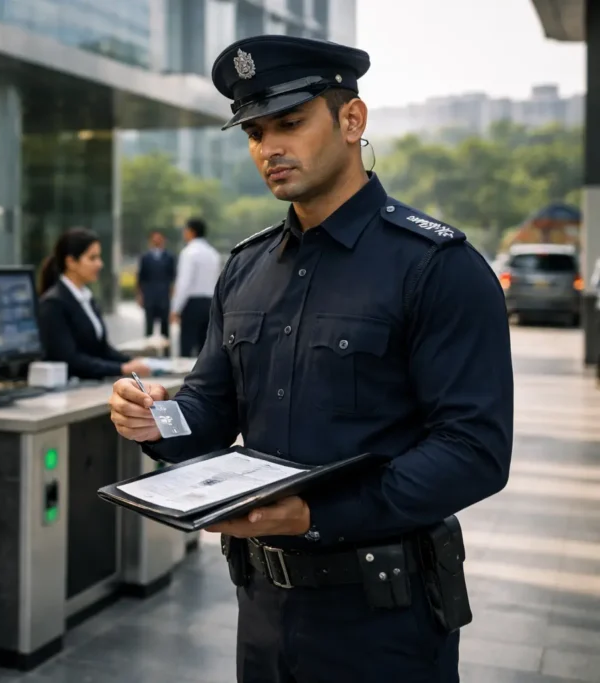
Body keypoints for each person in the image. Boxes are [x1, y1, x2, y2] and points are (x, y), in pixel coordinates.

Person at [108, 35, 513, 683]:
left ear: (351, 120)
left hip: (384, 620)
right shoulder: (245, 270)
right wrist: (157, 420)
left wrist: (318, 515)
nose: (268, 148)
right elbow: (209, 405)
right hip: (263, 611)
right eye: (254, 133)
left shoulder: (436, 267)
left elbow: (474, 450)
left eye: (290, 123)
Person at [38, 227, 153, 380]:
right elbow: (69, 359)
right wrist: (121, 368)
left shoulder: (86, 298)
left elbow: (101, 349)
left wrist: (130, 362)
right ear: (71, 262)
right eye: (92, 258)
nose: (100, 264)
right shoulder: (54, 304)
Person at [170, 217, 222, 357]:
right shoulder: (213, 253)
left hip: (192, 304)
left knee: (187, 346)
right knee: (205, 349)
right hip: (210, 303)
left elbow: (184, 283)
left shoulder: (189, 253)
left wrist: (175, 308)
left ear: (191, 232)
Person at [137, 230, 177, 339]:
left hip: (164, 295)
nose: (157, 240)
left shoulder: (169, 257)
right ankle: (148, 346)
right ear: (150, 240)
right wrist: (140, 295)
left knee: (165, 326)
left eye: (159, 238)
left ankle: (166, 348)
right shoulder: (145, 257)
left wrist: (173, 293)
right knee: (149, 325)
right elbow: (141, 277)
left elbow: (173, 276)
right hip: (149, 295)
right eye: (154, 238)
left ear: (163, 240)